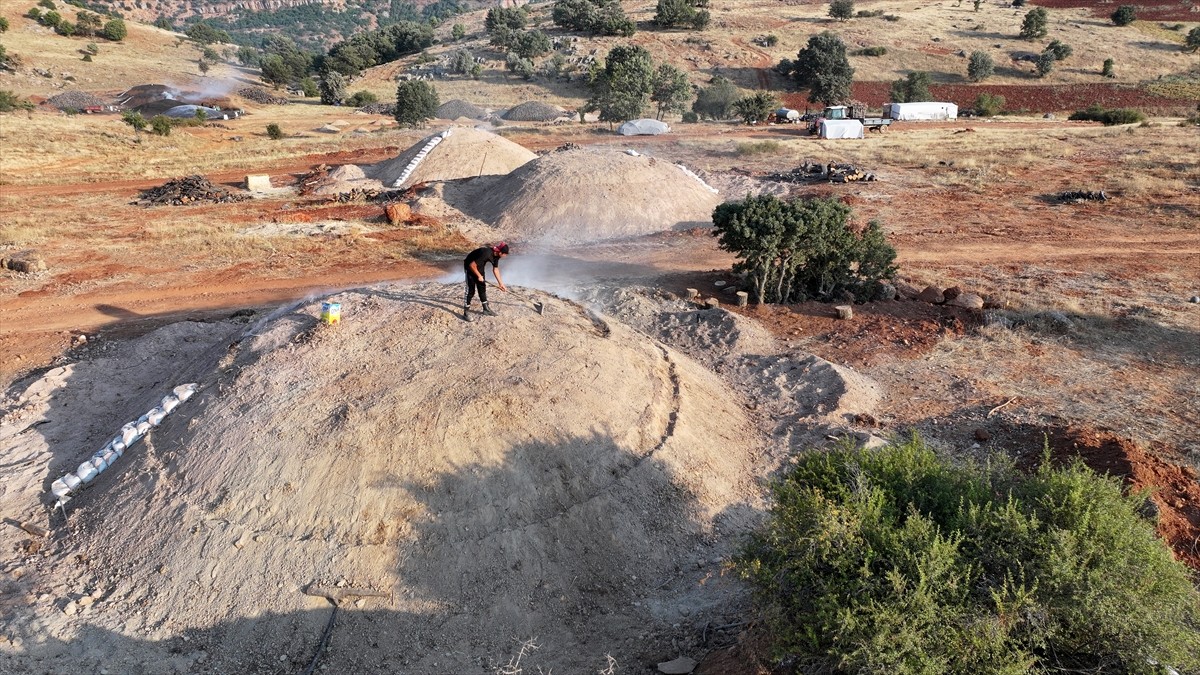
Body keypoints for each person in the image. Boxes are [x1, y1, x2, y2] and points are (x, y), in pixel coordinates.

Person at [462, 242, 508, 321]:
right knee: (470, 291)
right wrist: (479, 276)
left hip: (479, 267)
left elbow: (495, 269)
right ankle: (466, 312)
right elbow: (472, 265)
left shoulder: (496, 256)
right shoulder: (486, 253)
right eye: (505, 254)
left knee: (482, 287)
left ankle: (486, 309)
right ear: (500, 252)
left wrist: (501, 284)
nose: (505, 256)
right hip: (470, 267)